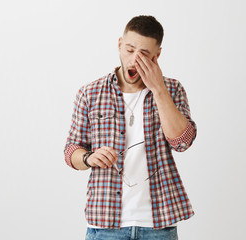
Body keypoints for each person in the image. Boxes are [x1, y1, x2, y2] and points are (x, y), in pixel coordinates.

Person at [64, 15, 197, 240]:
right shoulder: (91, 93)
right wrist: (89, 157)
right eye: (129, 49)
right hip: (105, 224)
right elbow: (71, 151)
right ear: (119, 44)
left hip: (158, 225)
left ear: (157, 56)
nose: (134, 60)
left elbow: (182, 142)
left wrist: (158, 89)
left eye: (144, 54)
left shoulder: (173, 90)